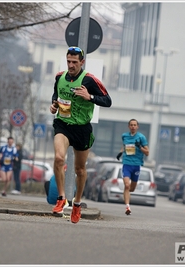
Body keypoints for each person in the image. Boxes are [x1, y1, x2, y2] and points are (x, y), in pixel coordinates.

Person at [49, 46, 112, 224]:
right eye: (68, 61)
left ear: (82, 62)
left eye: (74, 62)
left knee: (80, 170)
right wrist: (53, 105)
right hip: (62, 124)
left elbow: (108, 101)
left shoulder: (90, 80)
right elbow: (56, 94)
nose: (71, 65)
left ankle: (76, 203)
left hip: (82, 128)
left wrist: (90, 97)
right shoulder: (59, 76)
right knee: (59, 158)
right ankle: (62, 198)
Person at [116, 119, 149, 215]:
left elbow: (147, 153)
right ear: (128, 126)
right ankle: (127, 207)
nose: (133, 126)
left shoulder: (141, 137)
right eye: (131, 125)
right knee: (126, 185)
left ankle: (127, 193)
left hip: (136, 165)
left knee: (132, 188)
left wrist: (140, 147)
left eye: (134, 125)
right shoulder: (124, 136)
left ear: (137, 126)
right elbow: (124, 146)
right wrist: (120, 152)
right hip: (126, 163)